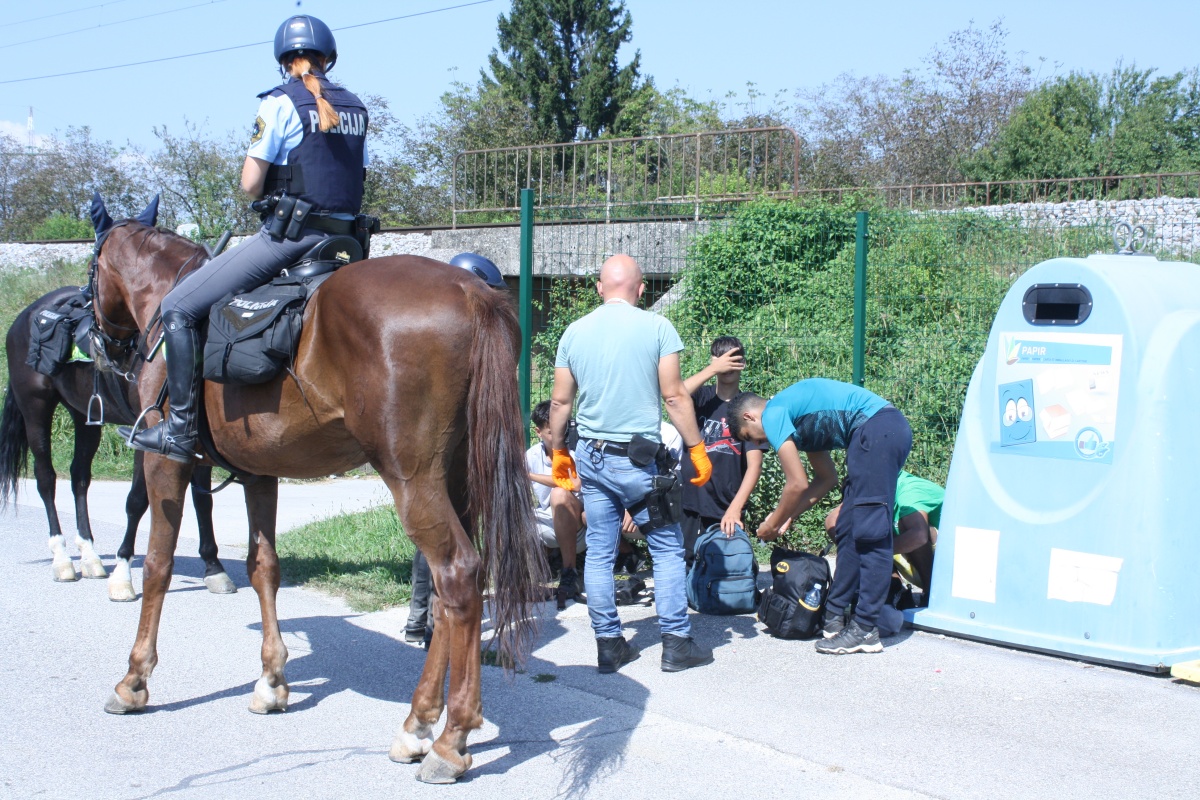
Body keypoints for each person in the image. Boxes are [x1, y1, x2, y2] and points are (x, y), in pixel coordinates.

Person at [122, 14, 369, 462]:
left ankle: (178, 430)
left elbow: (250, 183)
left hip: (291, 240)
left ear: (284, 60)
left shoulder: (279, 102)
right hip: (347, 245)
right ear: (327, 59)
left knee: (176, 306)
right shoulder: (356, 107)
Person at [548, 254, 715, 674]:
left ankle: (609, 645)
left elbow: (560, 401)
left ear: (601, 289)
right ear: (642, 290)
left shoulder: (574, 331)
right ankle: (676, 642)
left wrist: (559, 453)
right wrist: (696, 448)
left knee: (601, 552)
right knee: (666, 548)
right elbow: (675, 396)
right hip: (641, 462)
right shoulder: (657, 327)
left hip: (592, 456)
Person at [727, 378, 912, 655]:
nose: (758, 443)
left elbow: (796, 483)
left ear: (750, 416)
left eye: (750, 436)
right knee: (847, 529)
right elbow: (825, 479)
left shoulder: (774, 412)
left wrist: (773, 523)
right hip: (876, 435)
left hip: (877, 431)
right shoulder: (800, 422)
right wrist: (789, 515)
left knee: (871, 534)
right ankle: (833, 616)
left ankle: (865, 629)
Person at [679, 336, 765, 563]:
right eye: (721, 359)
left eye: (733, 358)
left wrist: (735, 508)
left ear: (743, 363)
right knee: (684, 563)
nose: (727, 365)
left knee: (724, 568)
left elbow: (755, 466)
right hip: (689, 501)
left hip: (726, 506)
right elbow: (674, 395)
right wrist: (712, 369)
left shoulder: (748, 407)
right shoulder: (701, 397)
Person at [824, 470, 942, 594]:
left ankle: (931, 592)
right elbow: (832, 520)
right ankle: (893, 587)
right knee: (854, 524)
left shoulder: (908, 491)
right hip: (911, 556)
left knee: (906, 527)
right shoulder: (871, 486)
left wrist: (874, 552)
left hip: (950, 568)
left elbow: (919, 536)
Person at [526, 400, 588, 608]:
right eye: (551, 432)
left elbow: (573, 483)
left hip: (580, 528)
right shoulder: (531, 456)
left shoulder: (577, 450)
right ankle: (526, 573)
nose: (558, 437)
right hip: (548, 526)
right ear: (538, 432)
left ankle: (569, 571)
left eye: (561, 430)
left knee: (559, 495)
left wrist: (530, 476)